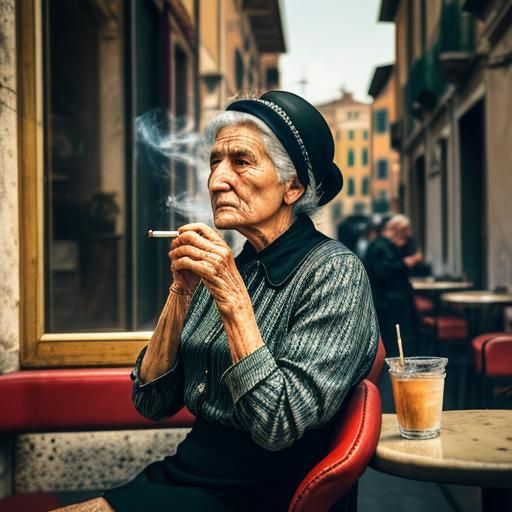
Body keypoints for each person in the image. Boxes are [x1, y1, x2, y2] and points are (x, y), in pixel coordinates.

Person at [54, 91, 379, 512]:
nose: (216, 181)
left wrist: (231, 297)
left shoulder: (333, 272)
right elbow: (151, 402)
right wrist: (182, 291)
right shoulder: (229, 267)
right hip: (187, 472)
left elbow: (279, 424)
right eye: (214, 162)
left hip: (261, 493)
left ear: (293, 187)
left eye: (241, 162)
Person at [364, 214, 422, 358]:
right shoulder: (380, 246)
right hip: (388, 303)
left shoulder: (384, 245)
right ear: (398, 231)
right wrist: (406, 263)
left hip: (391, 301)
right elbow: (383, 272)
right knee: (394, 341)